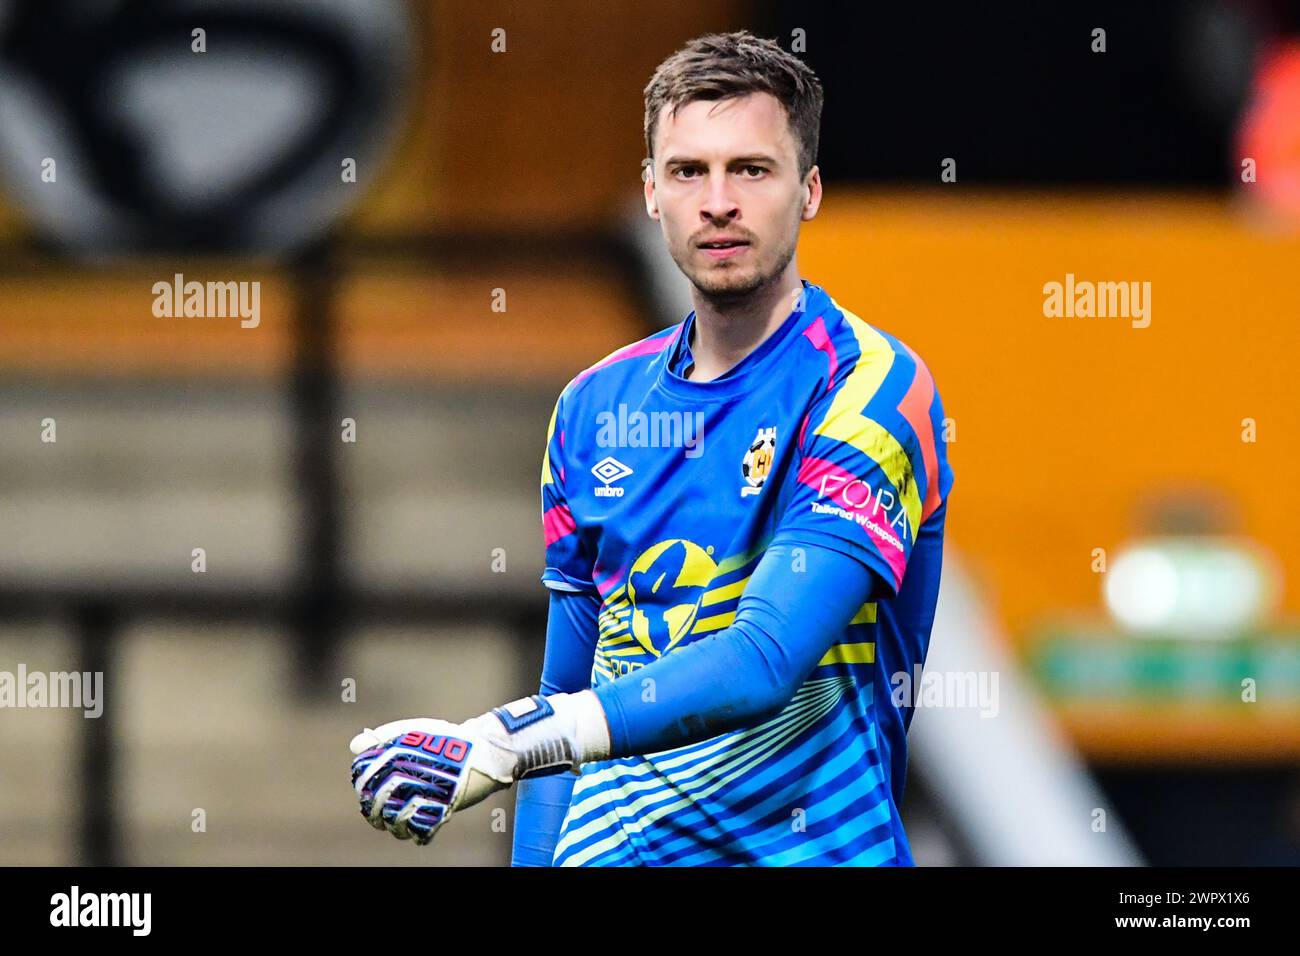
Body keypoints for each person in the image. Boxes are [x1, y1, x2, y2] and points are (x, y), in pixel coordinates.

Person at [350, 29, 954, 867]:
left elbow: (761, 661)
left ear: (809, 191)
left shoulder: (873, 389)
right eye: (687, 171)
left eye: (752, 169)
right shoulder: (590, 409)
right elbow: (569, 691)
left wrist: (502, 738)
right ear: (650, 193)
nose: (718, 202)